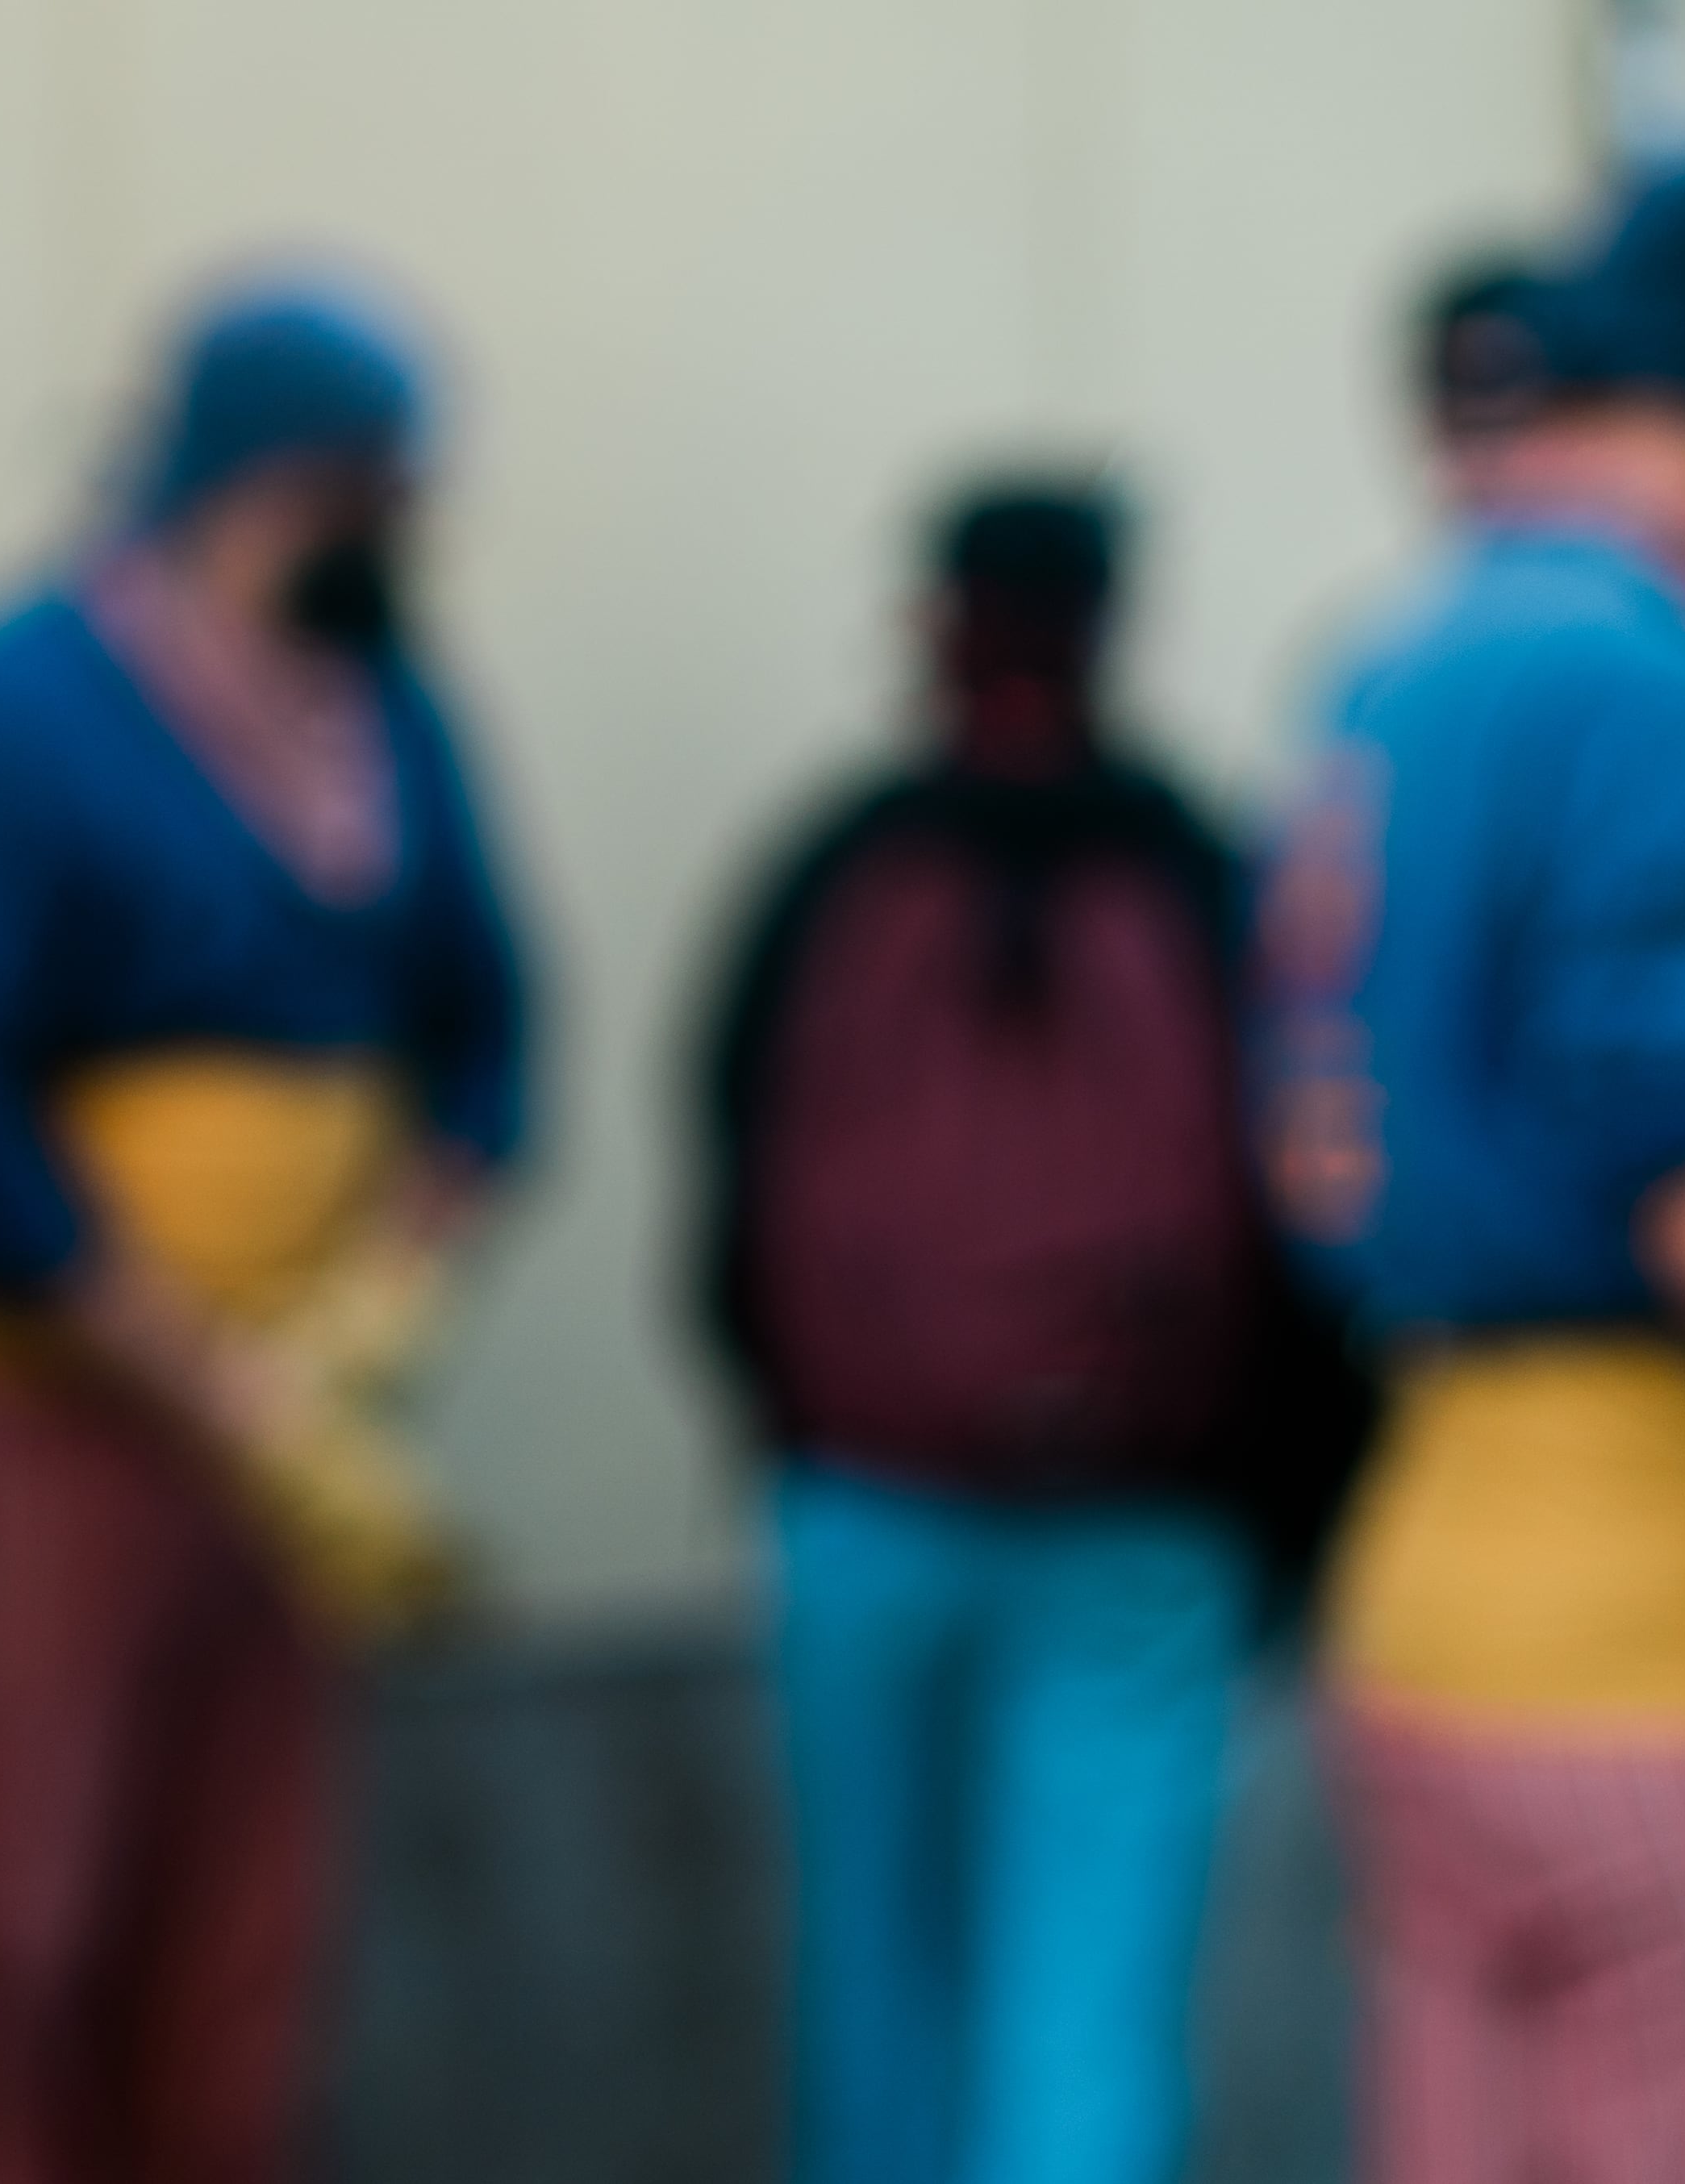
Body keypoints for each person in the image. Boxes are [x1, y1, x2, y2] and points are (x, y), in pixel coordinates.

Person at [0, 270, 536, 2184]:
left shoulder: (391, 711)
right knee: (9, 1910)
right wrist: (203, 1371)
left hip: (295, 1427)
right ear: (255, 477)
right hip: (29, 1403)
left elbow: (488, 1013)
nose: (403, 530)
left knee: (243, 1928)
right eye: (368, 485)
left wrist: (384, 1296)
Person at [696, 483, 1338, 2184]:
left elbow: (726, 1186)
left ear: (932, 621)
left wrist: (797, 1422)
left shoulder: (833, 868)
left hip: (865, 1505)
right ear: (1113, 625)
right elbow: (1302, 1204)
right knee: (1090, 2013)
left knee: (873, 1991)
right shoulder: (1200, 869)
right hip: (1140, 1522)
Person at [1262, 160, 1685, 2184]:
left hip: (1426, 1577)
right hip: (1642, 1632)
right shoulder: (1647, 676)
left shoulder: (1399, 653)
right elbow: (1684, 1172)